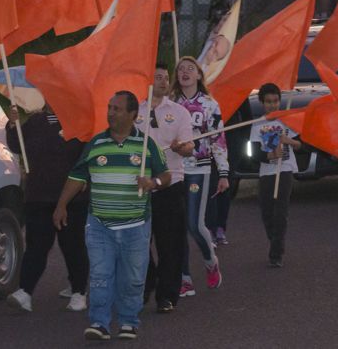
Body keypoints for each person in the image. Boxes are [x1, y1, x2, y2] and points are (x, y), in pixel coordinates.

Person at [55, 91, 170, 342]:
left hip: (136, 225)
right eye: (109, 107)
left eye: (117, 109)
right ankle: (100, 323)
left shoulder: (147, 144)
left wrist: (154, 181)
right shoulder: (96, 144)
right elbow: (77, 176)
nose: (110, 112)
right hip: (99, 225)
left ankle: (128, 321)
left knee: (133, 277)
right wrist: (61, 204)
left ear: (132, 115)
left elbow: (166, 175)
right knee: (100, 275)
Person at [5, 106, 88, 313]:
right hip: (39, 195)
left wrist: (85, 178)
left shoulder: (78, 122)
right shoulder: (35, 122)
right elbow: (17, 145)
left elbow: (88, 154)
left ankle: (79, 291)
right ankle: (25, 292)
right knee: (36, 246)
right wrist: (12, 125)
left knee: (72, 245)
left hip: (71, 197)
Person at [138, 63, 194, 313]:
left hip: (171, 184)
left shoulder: (180, 112)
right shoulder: (135, 111)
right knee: (138, 243)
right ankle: (146, 283)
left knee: (170, 244)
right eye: (157, 76)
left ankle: (167, 295)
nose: (162, 80)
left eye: (165, 77)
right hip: (140, 188)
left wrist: (183, 148)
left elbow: (190, 147)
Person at [172, 57, 227, 296]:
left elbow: (219, 140)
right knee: (177, 226)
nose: (185, 72)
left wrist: (223, 172)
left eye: (190, 69)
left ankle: (210, 261)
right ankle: (184, 278)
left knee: (195, 224)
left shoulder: (209, 104)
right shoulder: (169, 104)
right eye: (181, 69)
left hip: (199, 169)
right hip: (174, 171)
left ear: (198, 76)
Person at [249, 83, 301, 266]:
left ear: (280, 101)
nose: (272, 105)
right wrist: (270, 155)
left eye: (275, 101)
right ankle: (275, 239)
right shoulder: (257, 124)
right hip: (266, 172)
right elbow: (254, 154)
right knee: (266, 212)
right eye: (268, 102)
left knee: (281, 212)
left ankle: (276, 254)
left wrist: (289, 141)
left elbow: (302, 145)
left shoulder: (287, 120)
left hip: (285, 169)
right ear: (262, 103)